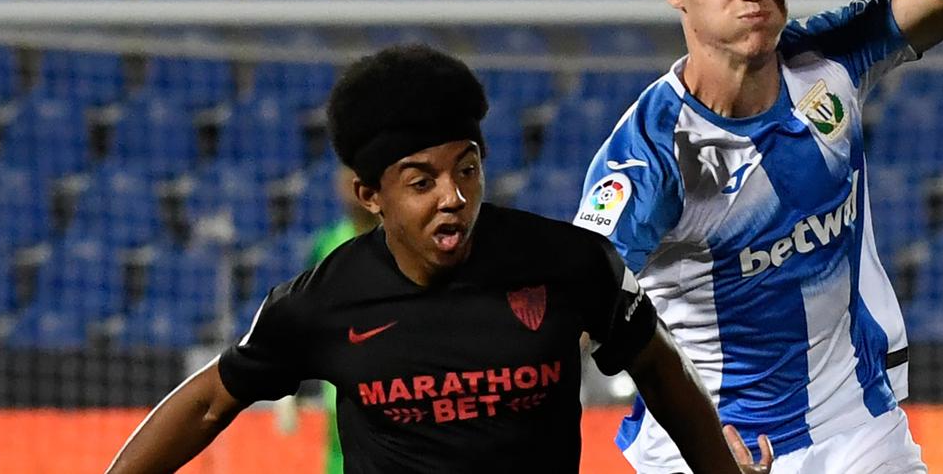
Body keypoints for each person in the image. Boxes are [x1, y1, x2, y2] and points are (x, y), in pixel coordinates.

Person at [107, 44, 772, 474]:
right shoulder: (323, 301)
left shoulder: (570, 263)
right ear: (371, 196)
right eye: (421, 181)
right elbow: (207, 403)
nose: (453, 199)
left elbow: (657, 369)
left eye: (468, 170)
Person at [572, 0, 943, 474]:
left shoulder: (829, 57)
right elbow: (577, 311)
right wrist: (699, 440)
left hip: (858, 428)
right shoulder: (648, 155)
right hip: (706, 448)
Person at [305, 167, 380, 474]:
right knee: (340, 450)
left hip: (390, 368)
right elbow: (306, 315)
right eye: (344, 178)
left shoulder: (398, 241)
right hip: (339, 375)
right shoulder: (326, 243)